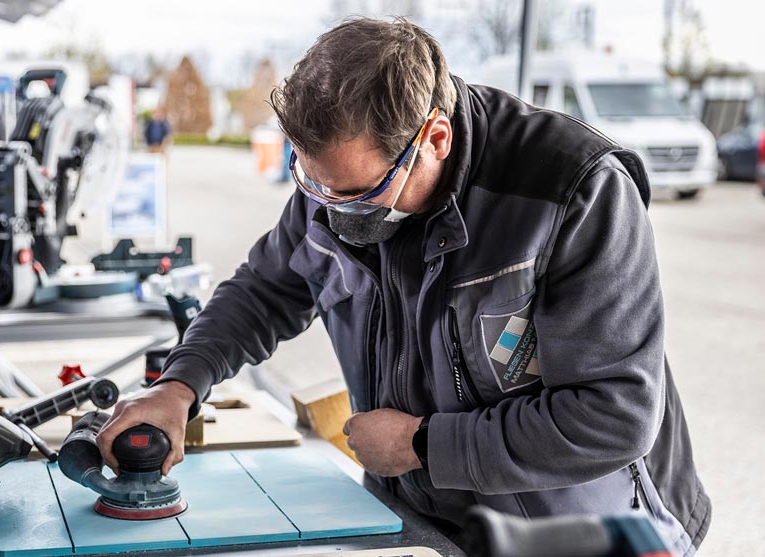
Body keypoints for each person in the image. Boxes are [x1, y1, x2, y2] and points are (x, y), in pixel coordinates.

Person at [98, 17, 710, 555]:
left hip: (573, 533)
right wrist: (179, 386)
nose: (332, 213)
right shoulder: (335, 183)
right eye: (309, 183)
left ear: (434, 139)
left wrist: (425, 445)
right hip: (420, 522)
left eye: (354, 193)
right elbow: (267, 288)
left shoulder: (572, 189)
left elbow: (612, 417)